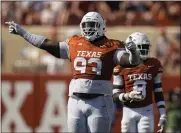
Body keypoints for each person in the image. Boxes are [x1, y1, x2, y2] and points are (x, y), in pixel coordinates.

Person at [5, 12, 140, 133]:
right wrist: (23, 33)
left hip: (100, 100)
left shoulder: (112, 46)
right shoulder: (75, 42)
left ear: (101, 26)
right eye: (86, 25)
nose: (88, 28)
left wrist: (133, 52)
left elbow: (131, 61)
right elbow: (46, 44)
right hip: (76, 100)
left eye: (92, 24)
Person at [112, 32, 166, 133]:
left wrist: (163, 114)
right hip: (128, 110)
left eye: (146, 46)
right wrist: (128, 96)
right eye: (141, 47)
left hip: (146, 110)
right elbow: (115, 95)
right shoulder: (121, 67)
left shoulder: (153, 64)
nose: (144, 50)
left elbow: (158, 91)